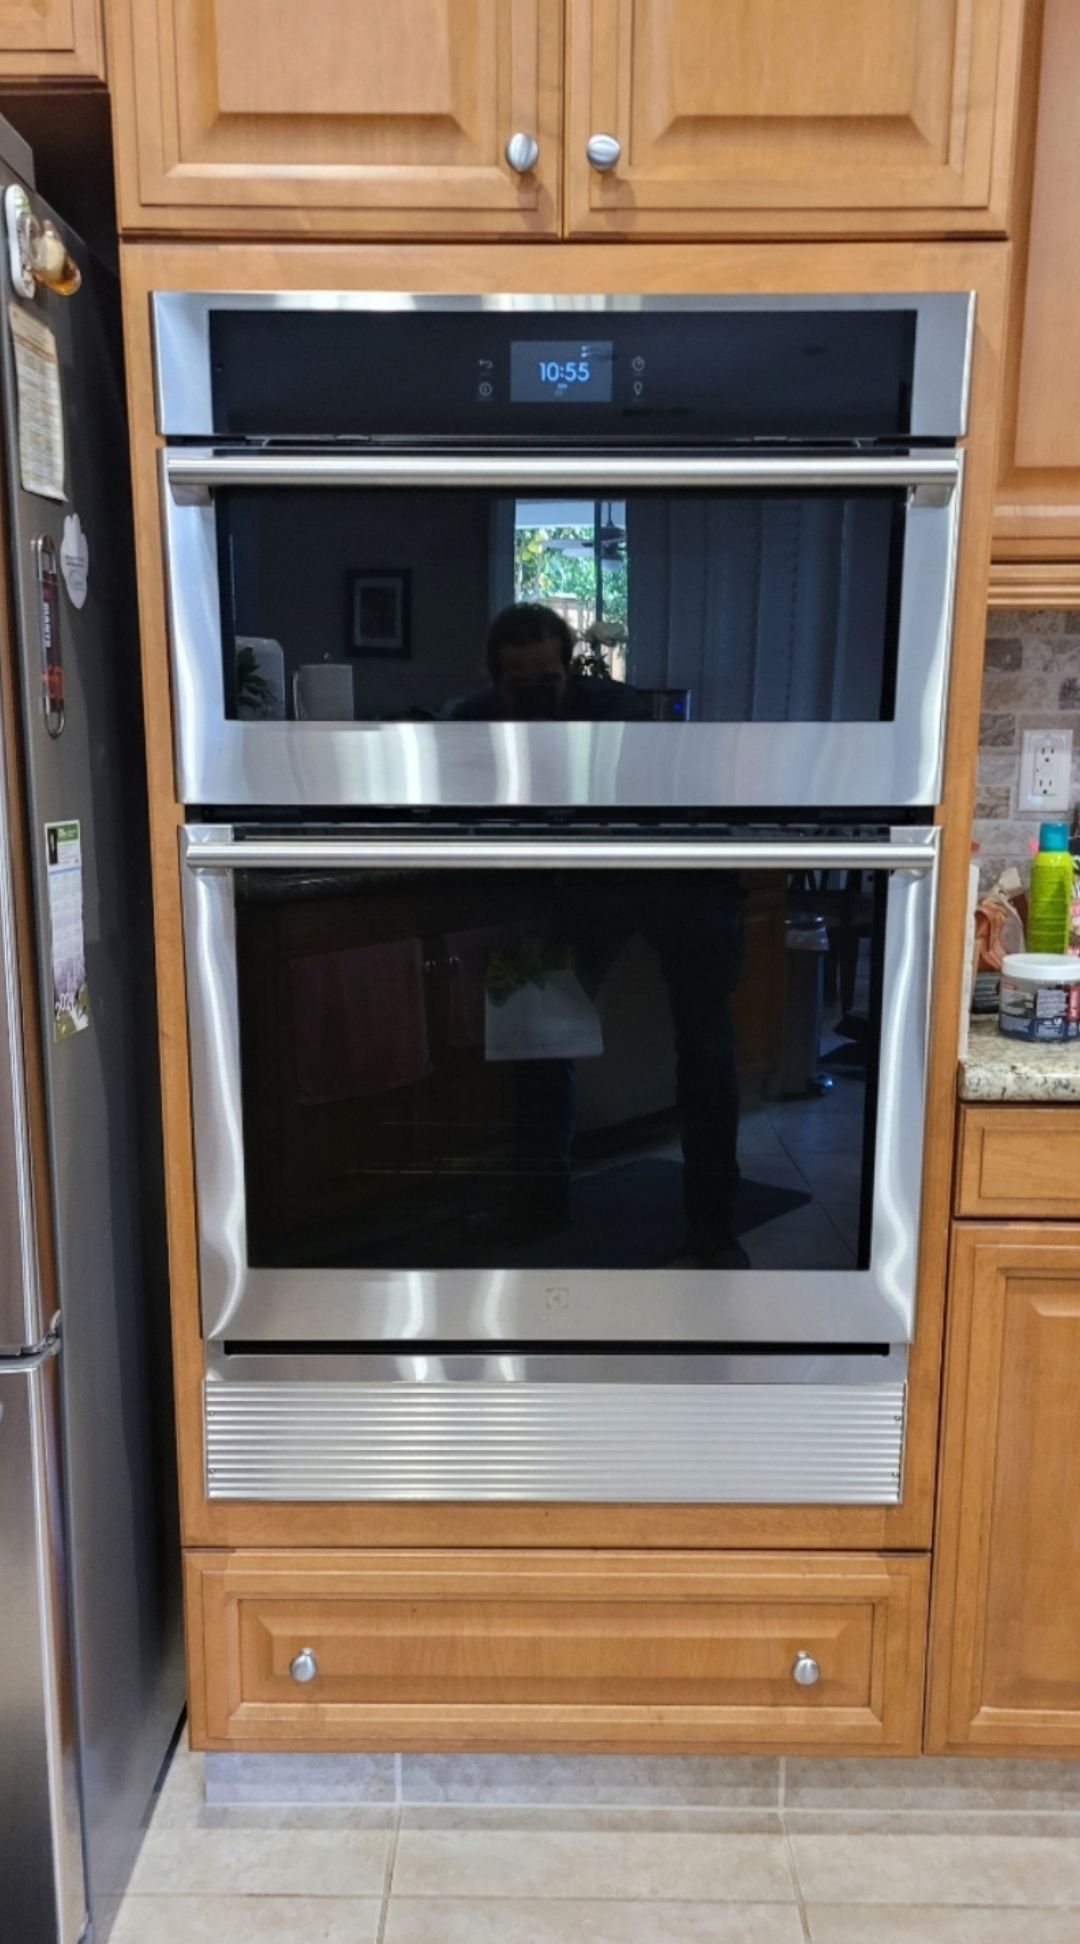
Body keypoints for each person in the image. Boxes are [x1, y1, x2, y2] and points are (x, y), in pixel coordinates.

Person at [450, 602, 650, 722]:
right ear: (495, 680)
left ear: (567, 672)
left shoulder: (614, 708)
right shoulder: (471, 720)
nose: (535, 695)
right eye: (519, 685)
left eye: (548, 680)